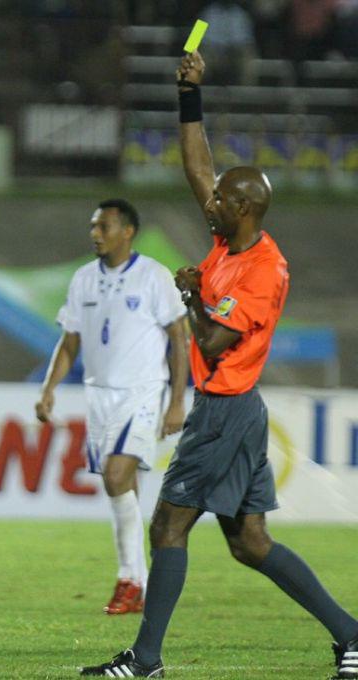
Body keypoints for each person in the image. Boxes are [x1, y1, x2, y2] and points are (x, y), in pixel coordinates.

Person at [80, 50, 358, 679]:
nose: (210, 204)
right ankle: (351, 635)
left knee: (167, 527)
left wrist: (185, 292)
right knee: (250, 542)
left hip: (224, 410)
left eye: (222, 202)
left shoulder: (262, 270)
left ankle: (145, 660)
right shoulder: (228, 240)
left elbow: (210, 343)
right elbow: (199, 168)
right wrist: (190, 97)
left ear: (247, 210)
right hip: (237, 410)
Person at [35, 199, 188, 616]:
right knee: (121, 485)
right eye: (93, 226)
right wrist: (49, 388)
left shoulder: (153, 276)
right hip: (98, 395)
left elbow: (179, 336)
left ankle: (129, 579)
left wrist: (177, 400)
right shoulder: (84, 279)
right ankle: (138, 581)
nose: (95, 233)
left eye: (103, 226)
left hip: (141, 391)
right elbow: (69, 342)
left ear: (128, 231)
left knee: (117, 476)